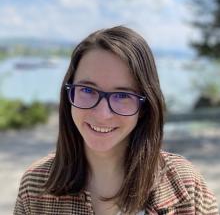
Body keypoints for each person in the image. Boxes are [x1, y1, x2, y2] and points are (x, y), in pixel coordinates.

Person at [14, 26, 219, 215]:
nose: (103, 114)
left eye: (122, 95)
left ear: (144, 107)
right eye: (87, 90)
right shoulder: (36, 186)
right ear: (69, 95)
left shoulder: (184, 185)